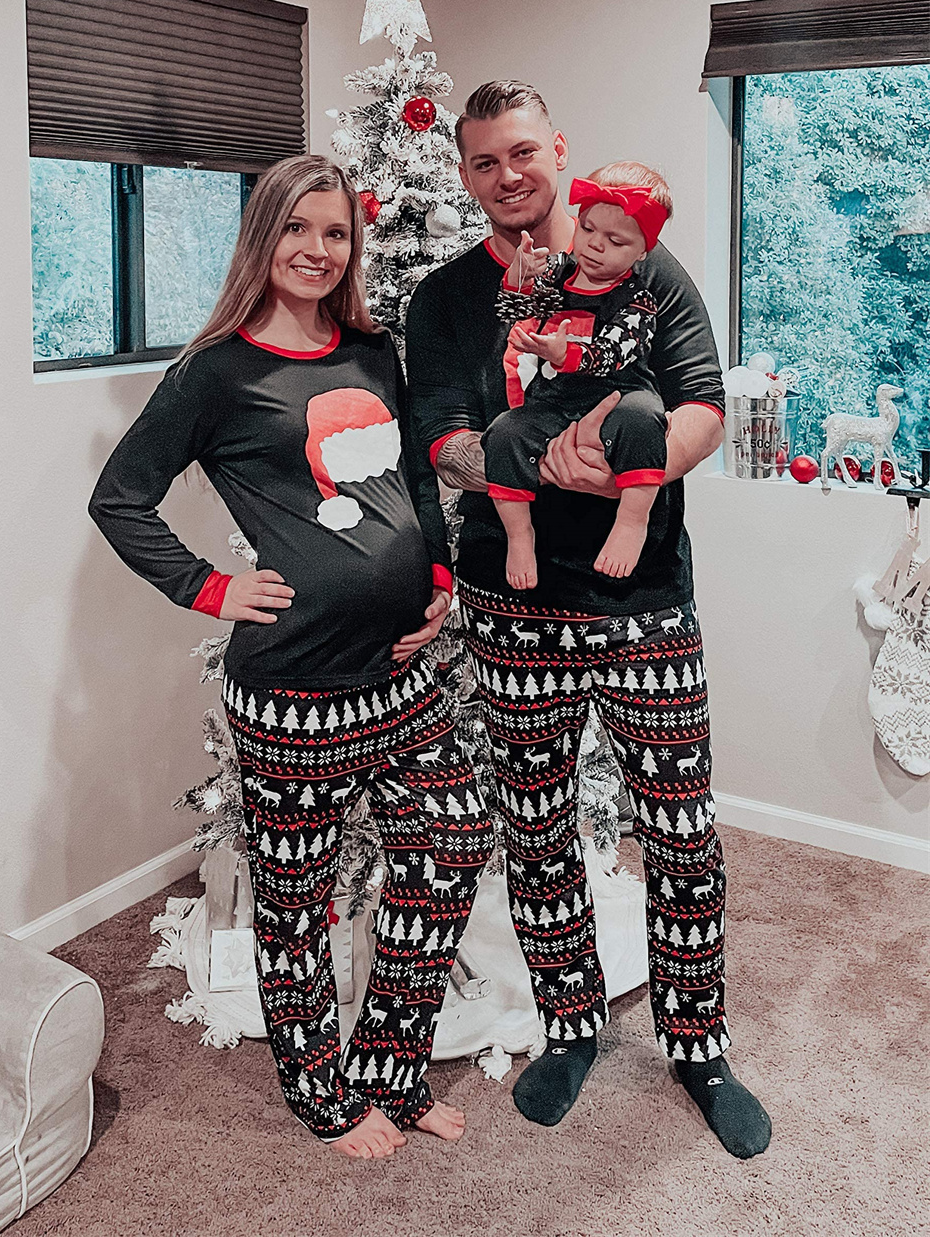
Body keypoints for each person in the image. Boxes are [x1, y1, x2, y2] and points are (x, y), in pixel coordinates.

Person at [89, 155, 492, 1161]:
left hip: (403, 676)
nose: (317, 250)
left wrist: (437, 583)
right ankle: (320, 1092)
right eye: (296, 229)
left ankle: (391, 1071)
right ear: (262, 235)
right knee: (296, 898)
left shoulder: (371, 350)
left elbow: (408, 476)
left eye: (335, 233)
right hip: (297, 691)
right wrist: (210, 587)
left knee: (448, 853)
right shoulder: (215, 370)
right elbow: (120, 498)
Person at [406, 83, 771, 1159]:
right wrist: (510, 458)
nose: (506, 175)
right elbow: (440, 432)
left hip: (643, 601)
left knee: (680, 830)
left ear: (556, 150)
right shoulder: (443, 299)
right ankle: (568, 1026)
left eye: (521, 151)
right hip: (510, 606)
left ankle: (698, 1043)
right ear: (465, 175)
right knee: (536, 826)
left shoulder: (641, 261)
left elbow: (700, 400)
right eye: (482, 162)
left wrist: (620, 464)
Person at [483, 161, 673, 589]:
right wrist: (517, 281)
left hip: (619, 395)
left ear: (643, 251)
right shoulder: (557, 272)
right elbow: (509, 314)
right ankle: (519, 533)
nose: (595, 246)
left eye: (616, 240)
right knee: (504, 435)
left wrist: (566, 351)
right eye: (587, 229)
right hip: (556, 397)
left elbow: (610, 353)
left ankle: (631, 519)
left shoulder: (638, 300)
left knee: (645, 420)